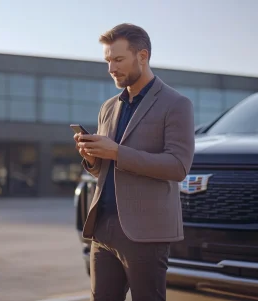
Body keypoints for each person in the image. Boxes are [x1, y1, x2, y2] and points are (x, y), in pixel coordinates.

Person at [73, 23, 195, 301]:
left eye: (118, 59)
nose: (111, 68)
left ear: (143, 56)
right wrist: (92, 159)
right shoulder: (109, 106)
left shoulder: (176, 104)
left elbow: (178, 167)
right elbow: (104, 168)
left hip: (146, 234)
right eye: (107, 60)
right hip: (103, 229)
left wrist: (116, 152)